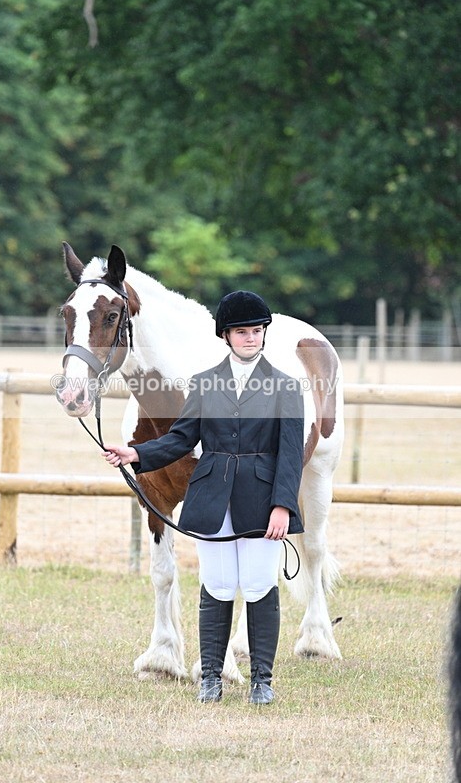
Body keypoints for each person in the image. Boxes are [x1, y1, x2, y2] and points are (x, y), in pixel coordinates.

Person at [104, 291, 305, 705]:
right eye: (242, 332)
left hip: (263, 495)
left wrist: (283, 504)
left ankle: (261, 681)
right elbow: (180, 439)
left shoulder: (286, 386)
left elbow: (290, 454)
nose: (251, 339)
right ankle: (210, 676)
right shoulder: (203, 383)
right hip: (213, 494)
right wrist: (136, 454)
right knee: (215, 583)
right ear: (226, 336)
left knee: (259, 583)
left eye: (256, 331)